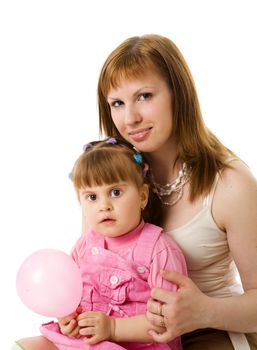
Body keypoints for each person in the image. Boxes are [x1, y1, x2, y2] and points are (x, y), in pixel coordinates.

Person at [95, 34, 257, 350]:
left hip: (210, 331)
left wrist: (205, 311)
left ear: (178, 94)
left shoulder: (230, 183)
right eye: (117, 103)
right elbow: (93, 260)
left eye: (144, 96)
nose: (130, 118)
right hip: (127, 330)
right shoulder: (111, 181)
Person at [14, 138, 187, 350]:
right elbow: (72, 297)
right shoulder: (84, 247)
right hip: (85, 343)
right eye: (92, 197)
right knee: (24, 346)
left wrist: (113, 328)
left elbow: (168, 321)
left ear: (142, 196)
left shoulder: (158, 250)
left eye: (115, 192)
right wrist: (69, 318)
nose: (104, 206)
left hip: (137, 346)